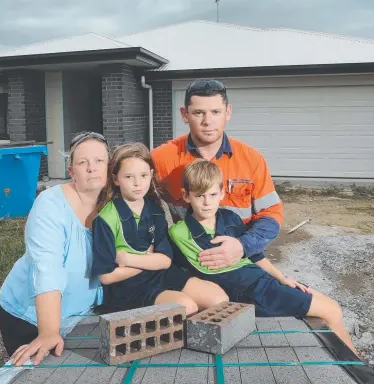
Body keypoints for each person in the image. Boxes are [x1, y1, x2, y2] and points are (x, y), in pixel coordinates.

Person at [168, 160, 357, 354]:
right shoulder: (178, 233)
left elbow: (255, 255)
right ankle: (357, 371)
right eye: (200, 196)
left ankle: (351, 357)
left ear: (222, 193)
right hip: (252, 293)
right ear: (186, 196)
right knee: (331, 311)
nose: (207, 202)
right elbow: (173, 270)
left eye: (213, 194)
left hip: (262, 280)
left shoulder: (230, 218)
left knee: (330, 305)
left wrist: (282, 278)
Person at [0, 131, 109, 366]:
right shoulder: (50, 205)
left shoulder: (114, 203)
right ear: (71, 172)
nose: (92, 168)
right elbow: (46, 266)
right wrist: (48, 331)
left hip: (82, 313)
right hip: (31, 318)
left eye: (100, 161)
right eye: (82, 162)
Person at [151, 79, 283, 270]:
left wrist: (242, 246)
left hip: (242, 259)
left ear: (228, 112)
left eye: (215, 112)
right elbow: (137, 205)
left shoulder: (252, 159)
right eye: (198, 113)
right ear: (184, 114)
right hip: (192, 261)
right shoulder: (162, 159)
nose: (207, 121)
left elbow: (271, 213)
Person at [91, 142, 229, 315]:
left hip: (162, 274)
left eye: (143, 175)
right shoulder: (106, 219)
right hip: (128, 287)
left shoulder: (155, 210)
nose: (137, 183)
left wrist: (126, 258)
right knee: (186, 307)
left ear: (150, 175)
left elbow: (165, 261)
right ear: (116, 179)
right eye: (128, 177)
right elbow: (107, 276)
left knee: (219, 300)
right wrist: (149, 259)